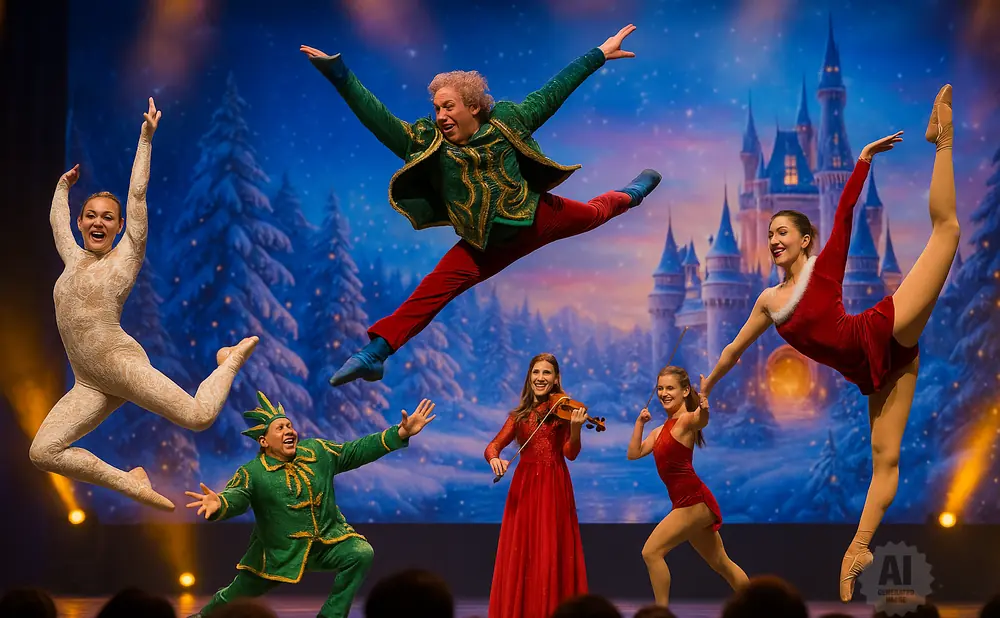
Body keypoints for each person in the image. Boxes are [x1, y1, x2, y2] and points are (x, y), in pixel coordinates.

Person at [700, 85, 958, 602]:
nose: (774, 239)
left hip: (882, 330)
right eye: (769, 231)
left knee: (946, 231)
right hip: (877, 370)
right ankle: (857, 549)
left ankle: (943, 139)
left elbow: (843, 211)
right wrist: (705, 384)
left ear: (804, 239)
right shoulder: (769, 301)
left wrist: (861, 160)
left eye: (784, 232)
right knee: (886, 463)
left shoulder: (825, 266)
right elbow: (733, 349)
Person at [300, 25, 662, 387]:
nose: (440, 115)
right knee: (430, 291)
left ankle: (631, 194)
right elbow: (378, 119)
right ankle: (373, 354)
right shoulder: (430, 145)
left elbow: (554, 91)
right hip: (482, 244)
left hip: (538, 217)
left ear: (472, 106)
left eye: (448, 106)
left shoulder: (508, 122)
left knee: (596, 213)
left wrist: (598, 54)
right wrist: (340, 75)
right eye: (436, 108)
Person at [30, 97, 258, 511]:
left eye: (108, 218)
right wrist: (63, 187)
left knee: (198, 416)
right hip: (88, 382)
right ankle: (131, 482)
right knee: (43, 452)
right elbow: (55, 221)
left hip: (121, 365)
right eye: (91, 216)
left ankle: (228, 361)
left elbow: (136, 195)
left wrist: (146, 138)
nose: (98, 222)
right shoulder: (72, 258)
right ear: (81, 223)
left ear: (119, 228)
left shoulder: (125, 258)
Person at [184, 391, 437, 618]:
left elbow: (356, 450)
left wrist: (400, 433)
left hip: (326, 542)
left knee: (360, 553)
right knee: (234, 596)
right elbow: (237, 496)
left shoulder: (318, 452)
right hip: (278, 553)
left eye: (289, 426)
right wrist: (220, 502)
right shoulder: (254, 472)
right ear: (264, 441)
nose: (289, 431)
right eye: (280, 428)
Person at [627, 366, 748, 607]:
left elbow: (700, 420)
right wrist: (640, 423)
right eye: (660, 388)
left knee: (651, 552)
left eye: (670, 388)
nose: (663, 393)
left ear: (684, 392)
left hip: (693, 501)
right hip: (689, 503)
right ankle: (763, 609)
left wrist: (704, 400)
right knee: (722, 564)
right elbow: (634, 453)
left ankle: (660, 612)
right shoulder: (659, 430)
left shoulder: (685, 422)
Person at [484, 353, 590, 618]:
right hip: (525, 485)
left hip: (554, 483)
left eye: (546, 373)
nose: (540, 378)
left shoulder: (562, 412)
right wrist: (495, 459)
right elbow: (493, 446)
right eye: (536, 373)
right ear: (529, 377)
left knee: (551, 550)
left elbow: (570, 452)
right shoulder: (519, 415)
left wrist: (575, 430)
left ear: (555, 379)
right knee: (523, 550)